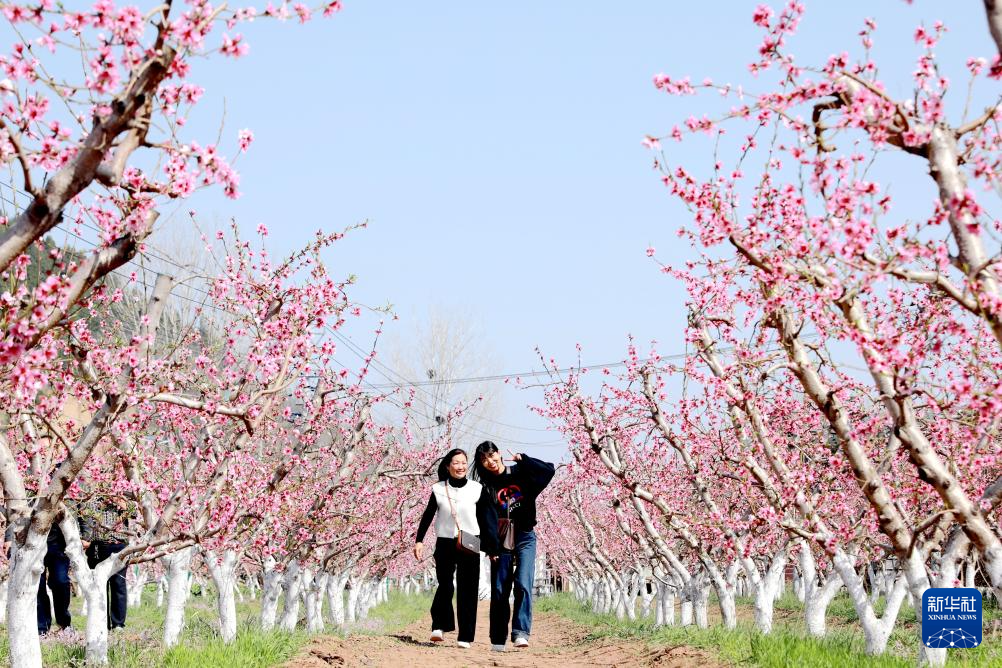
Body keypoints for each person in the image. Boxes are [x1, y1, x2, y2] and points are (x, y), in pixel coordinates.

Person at [472, 441, 555, 652]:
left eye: (491, 455)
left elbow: (548, 470)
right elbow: (486, 520)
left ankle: (520, 633)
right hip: (500, 541)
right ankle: (498, 638)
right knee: (500, 589)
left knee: (523, 584)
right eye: (484, 460)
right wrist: (491, 548)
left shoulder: (520, 473)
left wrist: (524, 459)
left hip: (525, 536)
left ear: (499, 454)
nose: (490, 462)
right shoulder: (486, 487)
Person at [414, 448, 498, 648]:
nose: (460, 466)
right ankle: (439, 626)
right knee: (445, 584)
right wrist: (419, 540)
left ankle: (465, 637)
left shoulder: (477, 489)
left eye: (463, 462)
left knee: (468, 589)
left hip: (470, 539)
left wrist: (492, 548)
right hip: (444, 541)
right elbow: (428, 515)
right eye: (456, 463)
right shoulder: (438, 489)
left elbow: (488, 521)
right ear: (447, 466)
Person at [79, 495, 133, 631]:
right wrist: (86, 539)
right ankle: (101, 622)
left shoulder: (123, 495)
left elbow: (134, 513)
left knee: (118, 584)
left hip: (119, 544)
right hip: (97, 545)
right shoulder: (91, 498)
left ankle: (118, 624)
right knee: (99, 584)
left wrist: (121, 503)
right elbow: (84, 518)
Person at [37, 524, 73, 636]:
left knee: (61, 582)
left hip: (59, 543)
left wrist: (84, 535)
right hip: (35, 543)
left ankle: (64, 623)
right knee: (38, 586)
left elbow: (80, 513)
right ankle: (42, 627)